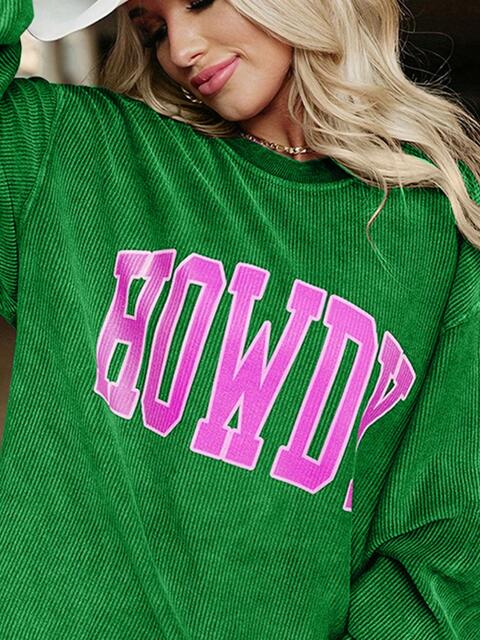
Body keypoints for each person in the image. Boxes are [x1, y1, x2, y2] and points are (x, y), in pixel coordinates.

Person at [0, 0, 479, 638]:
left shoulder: (440, 222)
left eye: (199, 1)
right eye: (152, 29)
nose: (181, 50)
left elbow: (450, 537)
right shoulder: (70, 148)